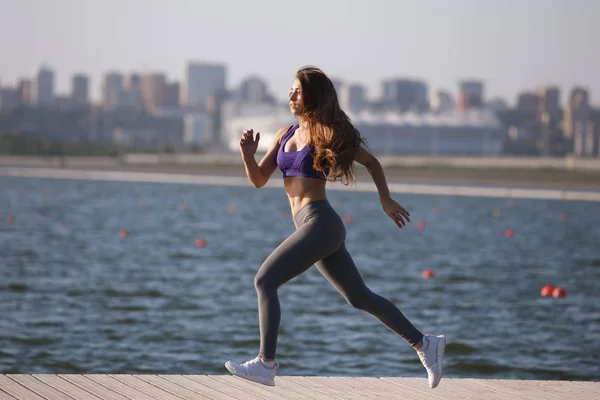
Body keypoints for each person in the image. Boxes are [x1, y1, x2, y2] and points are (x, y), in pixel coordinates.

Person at [225, 66, 445, 389]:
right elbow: (259, 179)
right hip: (313, 227)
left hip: (321, 223)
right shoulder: (284, 134)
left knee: (264, 280)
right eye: (290, 90)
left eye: (297, 91)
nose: (291, 95)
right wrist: (247, 156)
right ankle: (425, 344)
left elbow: (371, 162)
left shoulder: (325, 134)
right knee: (359, 297)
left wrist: (385, 200)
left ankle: (265, 363)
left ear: (312, 97)